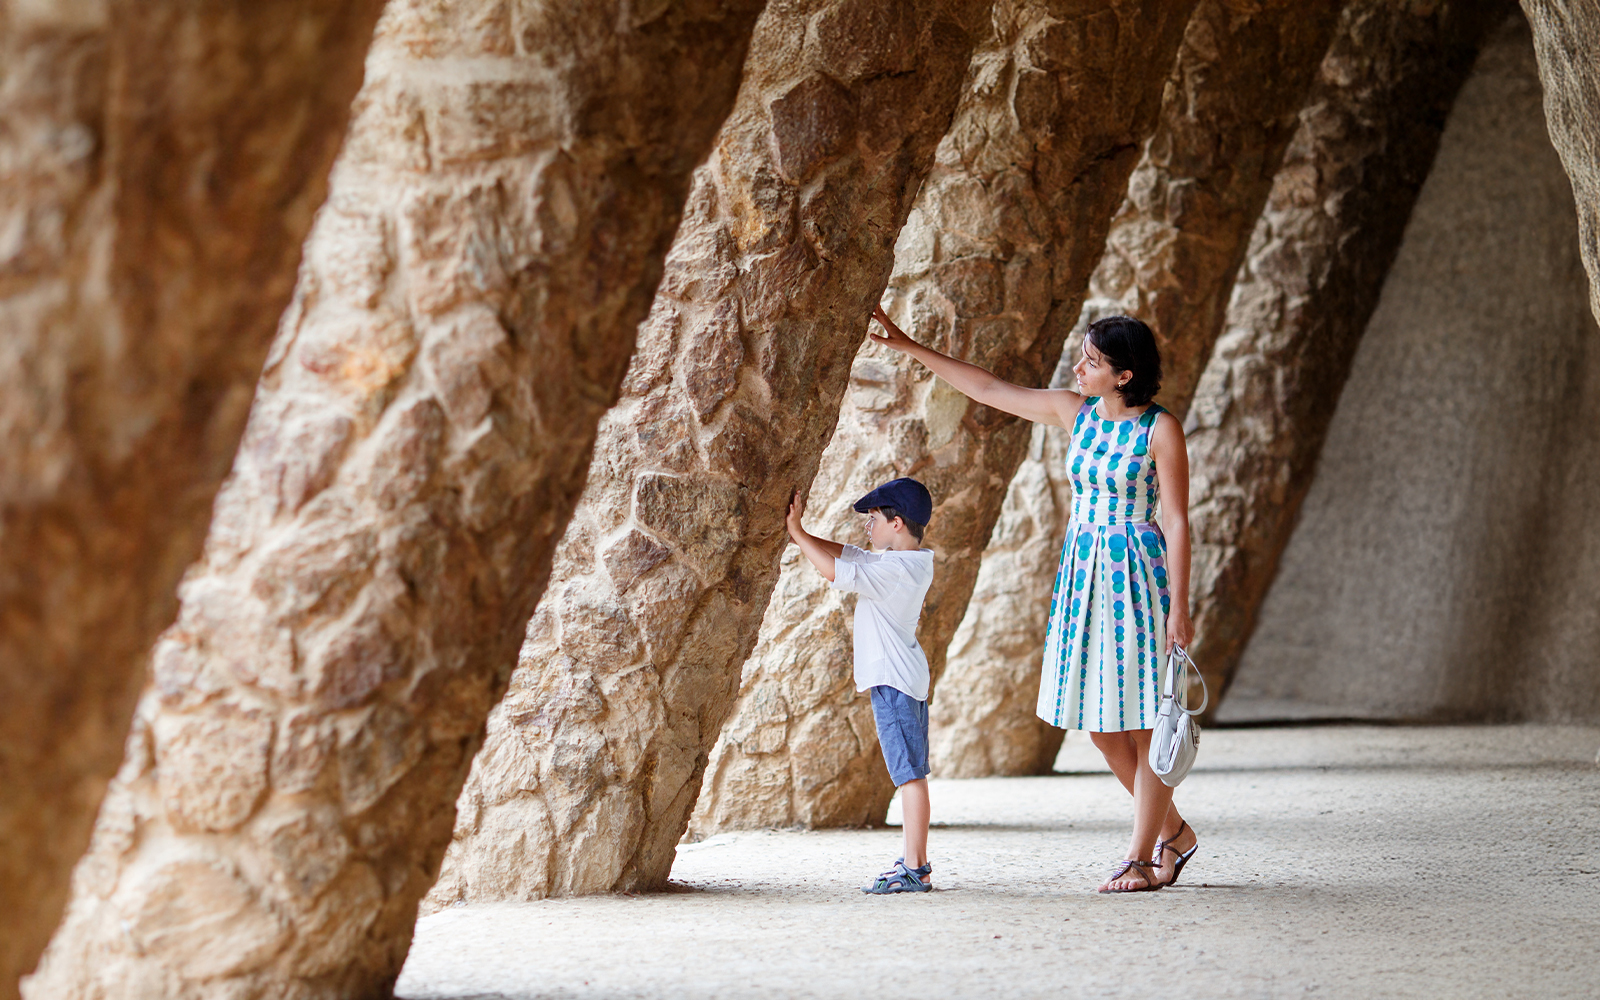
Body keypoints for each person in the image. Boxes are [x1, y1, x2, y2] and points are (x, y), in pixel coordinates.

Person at [868, 304, 1199, 893]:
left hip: (1138, 576)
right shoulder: (1077, 413)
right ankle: (1175, 833)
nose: (1079, 367)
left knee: (1148, 721)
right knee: (1102, 726)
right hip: (1083, 574)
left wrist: (1181, 605)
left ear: (1125, 375)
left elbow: (1175, 520)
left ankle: (1142, 855)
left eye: (1092, 361)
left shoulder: (1160, 429)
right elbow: (990, 388)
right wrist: (909, 346)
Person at [785, 476, 937, 893]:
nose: (868, 526)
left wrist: (798, 534)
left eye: (874, 518)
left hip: (894, 681)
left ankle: (915, 867)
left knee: (909, 775)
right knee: (911, 772)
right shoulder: (908, 561)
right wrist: (804, 538)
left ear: (897, 523)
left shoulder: (895, 572)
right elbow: (850, 555)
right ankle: (914, 861)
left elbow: (837, 569)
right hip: (902, 677)